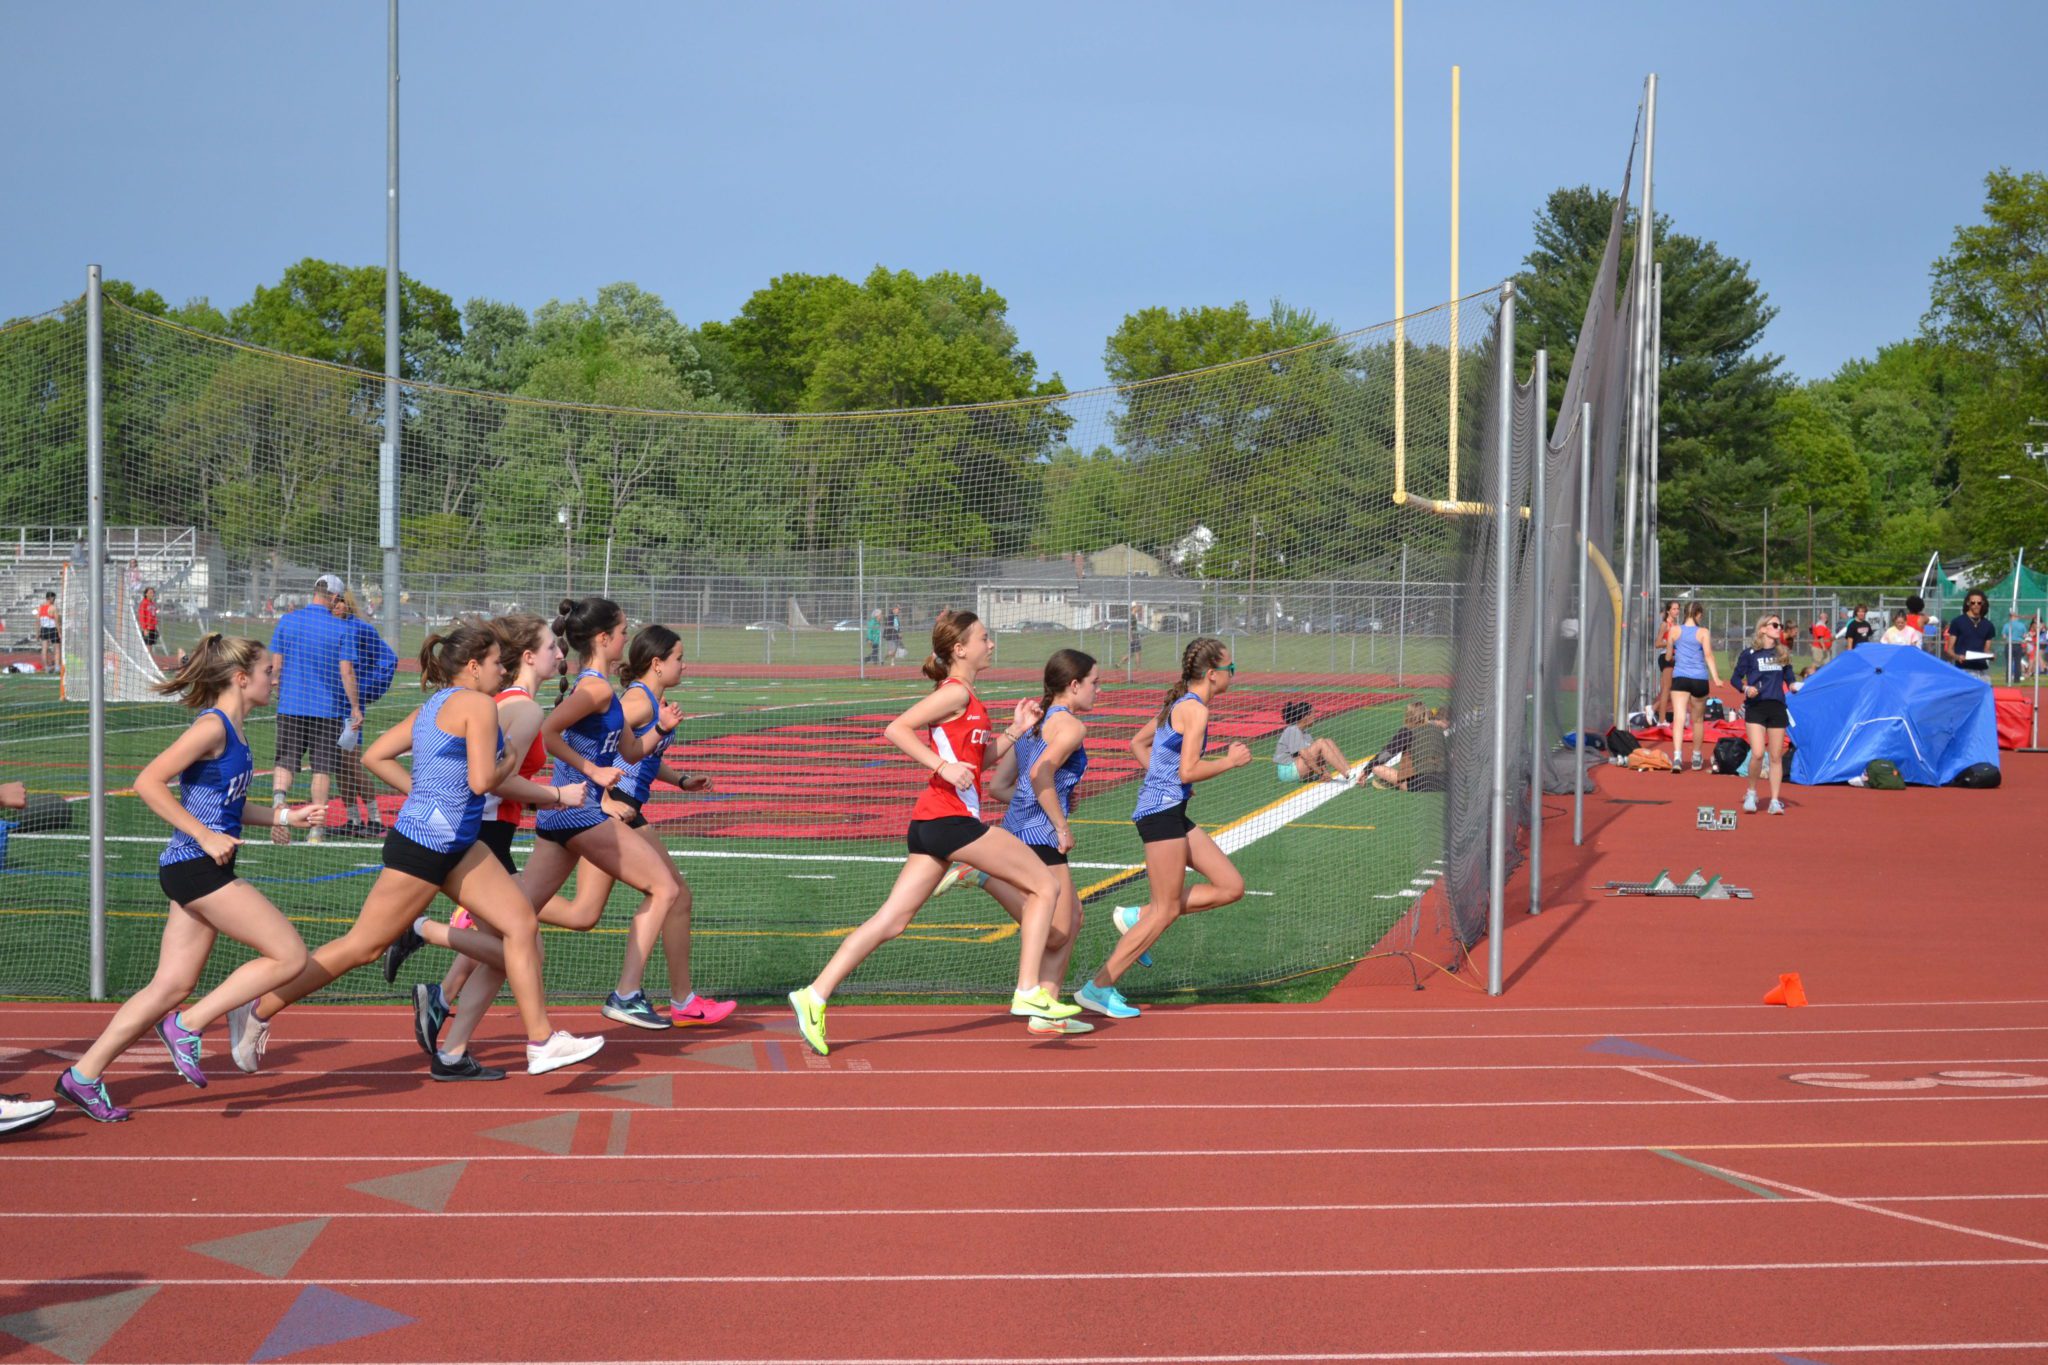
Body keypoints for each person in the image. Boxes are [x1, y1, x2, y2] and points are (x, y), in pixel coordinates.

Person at [228, 621, 603, 1080]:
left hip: (458, 845)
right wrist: (525, 772)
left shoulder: (436, 704)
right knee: (361, 947)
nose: (502, 671)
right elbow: (483, 782)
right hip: (424, 847)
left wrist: (424, 795)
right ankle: (258, 1009)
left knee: (521, 925)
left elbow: (376, 755)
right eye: (494, 663)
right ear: (473, 666)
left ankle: (541, 1042)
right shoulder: (477, 706)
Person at [54, 637, 323, 1122]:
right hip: (195, 866)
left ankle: (83, 1075)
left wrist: (285, 815)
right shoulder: (211, 727)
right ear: (240, 678)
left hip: (198, 867)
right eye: (268, 671)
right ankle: (189, 1025)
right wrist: (203, 835)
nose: (275, 677)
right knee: (289, 955)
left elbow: (229, 806)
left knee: (170, 985)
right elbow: (147, 782)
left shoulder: (237, 730)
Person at [787, 611, 1078, 1055]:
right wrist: (941, 766)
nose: (991, 644)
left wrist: (1015, 731)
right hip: (950, 820)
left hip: (932, 825)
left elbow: (978, 762)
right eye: (984, 638)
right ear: (960, 649)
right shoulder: (955, 691)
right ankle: (1027, 990)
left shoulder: (969, 697)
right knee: (1044, 885)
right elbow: (896, 729)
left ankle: (814, 994)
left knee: (891, 921)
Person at [1081, 638, 1251, 1018]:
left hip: (1172, 811)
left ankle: (1136, 917)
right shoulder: (1195, 710)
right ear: (1212, 674)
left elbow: (1138, 744)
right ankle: (1098, 987)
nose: (1234, 675)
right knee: (1166, 910)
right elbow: (1188, 770)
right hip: (1161, 815)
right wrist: (1229, 762)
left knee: (1230, 886)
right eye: (1231, 669)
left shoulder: (1181, 704)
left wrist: (1165, 780)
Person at [944, 649, 1102, 1036]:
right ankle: (981, 876)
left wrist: (1053, 797)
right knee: (1058, 931)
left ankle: (1047, 1011)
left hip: (1017, 829)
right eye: (1094, 683)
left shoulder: (1035, 721)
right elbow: (1039, 775)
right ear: (1074, 685)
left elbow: (999, 786)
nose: (1099, 690)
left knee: (1071, 920)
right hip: (1042, 835)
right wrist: (1061, 824)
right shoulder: (1071, 727)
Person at [268, 574, 358, 845]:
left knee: (285, 761)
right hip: (327, 710)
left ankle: (279, 805)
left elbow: (276, 666)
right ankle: (316, 830)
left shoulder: (288, 621)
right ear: (334, 597)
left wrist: (278, 689)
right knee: (322, 768)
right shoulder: (341, 628)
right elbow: (347, 672)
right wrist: (355, 707)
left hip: (291, 705)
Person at [329, 589, 396, 838]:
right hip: (327, 706)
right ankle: (353, 820)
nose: (337, 607)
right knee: (339, 765)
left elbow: (389, 659)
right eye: (333, 603)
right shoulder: (325, 627)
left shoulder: (360, 628)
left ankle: (375, 820)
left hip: (350, 707)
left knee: (351, 762)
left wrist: (365, 689)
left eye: (341, 602)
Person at [1732, 615, 1795, 816]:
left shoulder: (1782, 653)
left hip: (1777, 707)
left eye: (1780, 625)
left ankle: (1775, 801)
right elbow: (1735, 678)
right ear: (1763, 629)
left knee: (1775, 757)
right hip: (1756, 707)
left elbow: (1790, 677)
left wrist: (1794, 685)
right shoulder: (1750, 654)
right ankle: (1751, 792)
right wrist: (1746, 688)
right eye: (1774, 625)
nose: (1779, 628)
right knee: (1758, 753)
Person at [1667, 603, 1722, 771]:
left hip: (1680, 678)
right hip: (1699, 679)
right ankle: (1696, 756)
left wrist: (1674, 652)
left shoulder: (1674, 630)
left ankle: (1677, 757)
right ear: (1698, 614)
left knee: (1679, 718)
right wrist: (1716, 678)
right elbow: (1708, 655)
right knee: (1698, 720)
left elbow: (1668, 656)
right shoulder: (1703, 632)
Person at [1277, 700, 1353, 785]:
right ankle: (1348, 775)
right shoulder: (1292, 730)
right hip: (1288, 773)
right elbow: (1306, 756)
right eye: (1313, 714)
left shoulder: (1305, 733)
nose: (1315, 717)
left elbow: (1318, 755)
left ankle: (1350, 771)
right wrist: (1321, 773)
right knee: (1320, 742)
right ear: (1305, 716)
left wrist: (1325, 771)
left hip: (1299, 768)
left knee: (1328, 741)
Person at [1944, 591, 1997, 679]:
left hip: (1982, 670)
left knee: (1986, 687)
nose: (1976, 605)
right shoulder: (1958, 622)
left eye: (1979, 603)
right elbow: (1949, 649)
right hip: (1964, 669)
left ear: (1983, 603)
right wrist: (1957, 657)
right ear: (1968, 603)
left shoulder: (1988, 625)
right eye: (1973, 602)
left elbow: (1986, 650)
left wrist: (1991, 656)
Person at [1655, 602, 1681, 723]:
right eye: (1674, 609)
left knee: (1672, 689)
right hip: (1666, 657)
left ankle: (1653, 708)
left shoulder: (1676, 626)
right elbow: (1657, 644)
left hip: (1674, 657)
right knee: (1667, 688)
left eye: (1678, 609)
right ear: (1668, 611)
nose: (1676, 611)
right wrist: (1670, 642)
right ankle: (1661, 720)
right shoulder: (1665, 625)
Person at [2002, 609, 2029, 684]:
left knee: (2009, 663)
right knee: (2017, 663)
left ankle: (2008, 679)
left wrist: (2009, 637)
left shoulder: (2007, 625)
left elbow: (2004, 636)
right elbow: (2025, 635)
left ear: (2010, 617)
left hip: (2009, 644)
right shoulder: (2022, 625)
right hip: (2018, 645)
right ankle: (2017, 679)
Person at [35, 591, 58, 673]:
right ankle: (57, 667)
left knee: (44, 649)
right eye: (54, 598)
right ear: (51, 598)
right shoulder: (53, 607)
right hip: (52, 629)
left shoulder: (40, 607)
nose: (54, 600)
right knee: (57, 649)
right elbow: (57, 621)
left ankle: (46, 667)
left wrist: (37, 633)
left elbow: (37, 621)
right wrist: (59, 632)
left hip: (44, 629)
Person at [137, 586, 160, 653]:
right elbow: (142, 616)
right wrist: (144, 628)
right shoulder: (144, 603)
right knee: (147, 645)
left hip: (153, 627)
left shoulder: (152, 603)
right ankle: (147, 658)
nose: (152, 594)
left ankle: (150, 657)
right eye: (150, 593)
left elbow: (154, 613)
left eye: (153, 593)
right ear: (146, 594)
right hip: (147, 628)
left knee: (150, 645)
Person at [1126, 603, 1144, 671]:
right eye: (1137, 606)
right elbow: (1130, 628)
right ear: (1133, 607)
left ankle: (1119, 664)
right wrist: (1130, 637)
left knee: (1132, 654)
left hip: (1134, 636)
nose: (1138, 607)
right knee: (1137, 653)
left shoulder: (1133, 616)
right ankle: (1138, 668)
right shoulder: (1132, 616)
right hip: (1134, 637)